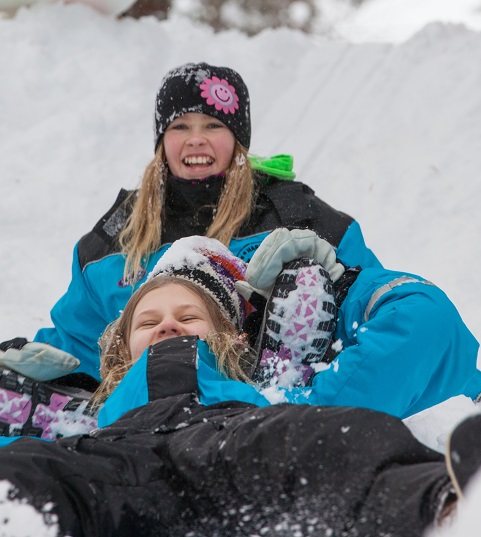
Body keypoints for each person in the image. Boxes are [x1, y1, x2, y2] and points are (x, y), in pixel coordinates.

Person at [1, 238, 481, 536]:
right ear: (119, 348)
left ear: (228, 338)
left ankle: (451, 509)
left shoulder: (269, 393)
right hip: (120, 452)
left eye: (189, 315)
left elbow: (419, 323)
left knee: (336, 438)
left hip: (233, 436)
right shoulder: (85, 417)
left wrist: (349, 287)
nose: (168, 325)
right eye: (147, 321)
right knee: (34, 468)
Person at [1, 61, 382, 386]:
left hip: (268, 404)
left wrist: (343, 283)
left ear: (238, 139)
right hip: (144, 415)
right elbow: (80, 341)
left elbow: (368, 310)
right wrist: (33, 362)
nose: (196, 140)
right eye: (180, 126)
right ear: (162, 139)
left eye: (213, 125)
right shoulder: (115, 239)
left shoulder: (297, 216)